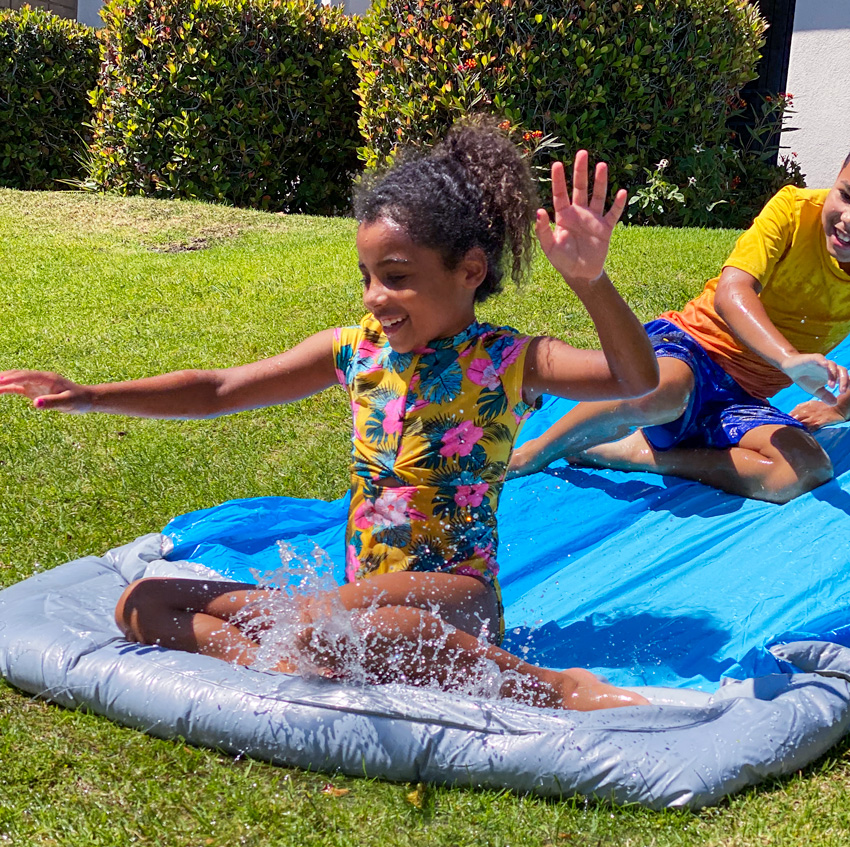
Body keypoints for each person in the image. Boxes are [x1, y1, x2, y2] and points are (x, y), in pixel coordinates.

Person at [0, 120, 659, 710]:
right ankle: (302, 664)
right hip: (353, 605)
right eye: (367, 275)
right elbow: (222, 388)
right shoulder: (353, 352)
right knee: (142, 602)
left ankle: (552, 687)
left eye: (396, 276)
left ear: (469, 270)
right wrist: (93, 393)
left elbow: (636, 377)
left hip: (454, 598)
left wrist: (589, 281)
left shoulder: (509, 359)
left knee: (326, 626)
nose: (377, 296)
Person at [508, 153, 850, 503]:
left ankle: (643, 455)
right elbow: (732, 294)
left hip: (743, 398)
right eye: (846, 195)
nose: (848, 220)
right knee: (660, 393)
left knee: (805, 470)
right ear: (837, 175)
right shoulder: (794, 210)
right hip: (690, 348)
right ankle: (538, 449)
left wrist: (840, 409)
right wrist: (787, 358)